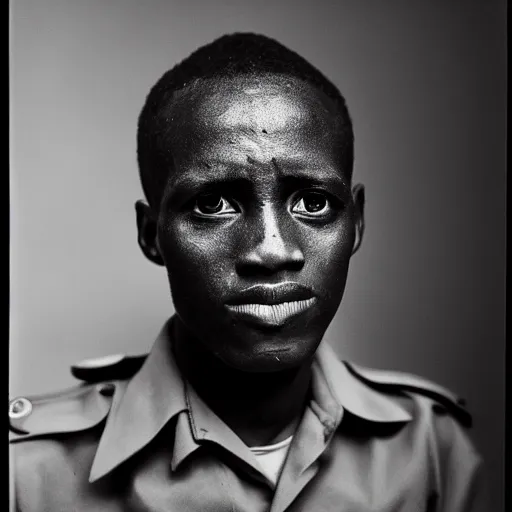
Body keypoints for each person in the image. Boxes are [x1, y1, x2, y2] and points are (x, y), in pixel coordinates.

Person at [9, 32, 486, 511]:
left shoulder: (433, 450)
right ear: (152, 234)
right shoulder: (27, 475)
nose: (271, 250)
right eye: (214, 204)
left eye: (314, 203)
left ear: (356, 223)